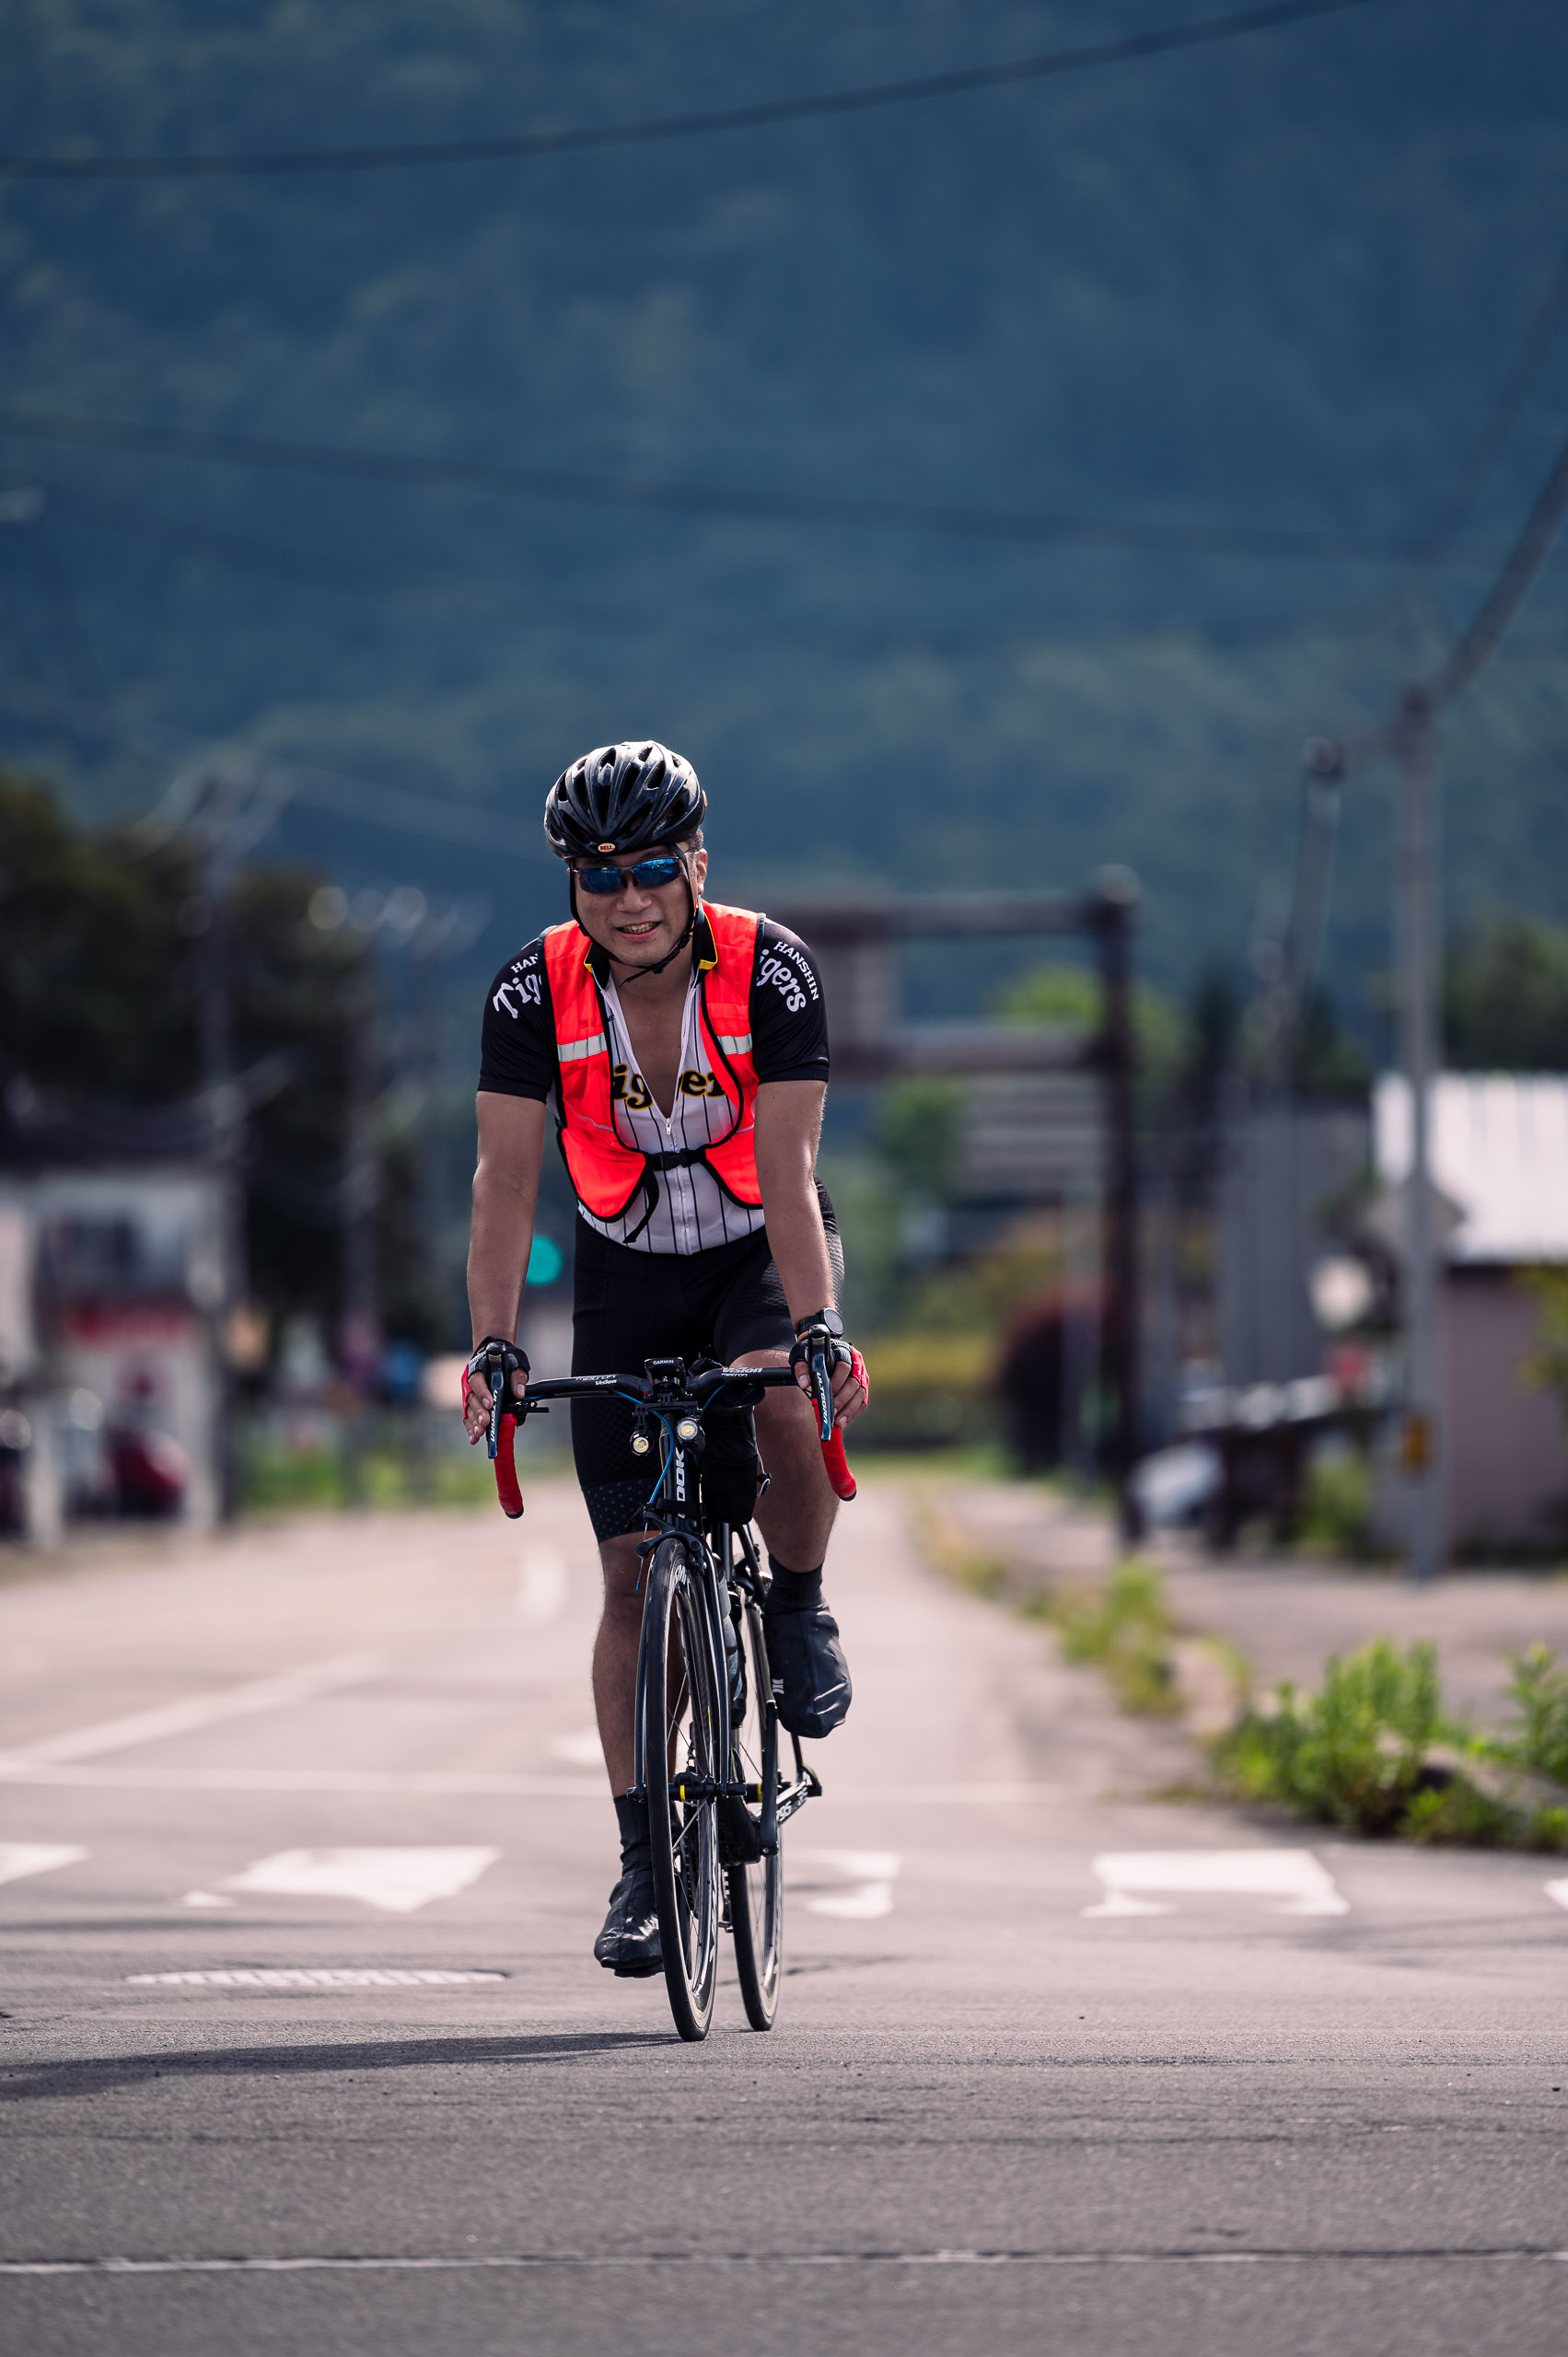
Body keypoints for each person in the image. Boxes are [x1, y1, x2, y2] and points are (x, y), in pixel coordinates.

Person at [462, 740, 868, 1979]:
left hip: (756, 1244)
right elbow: (505, 1184)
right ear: (572, 887)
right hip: (624, 1274)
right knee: (631, 1579)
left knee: (790, 1417)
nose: (627, 897)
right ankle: (646, 1864)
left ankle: (795, 1605)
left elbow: (792, 1177)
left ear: (695, 863)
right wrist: (492, 1347)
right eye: (598, 876)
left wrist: (816, 1331)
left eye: (649, 868)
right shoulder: (534, 993)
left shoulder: (771, 969)